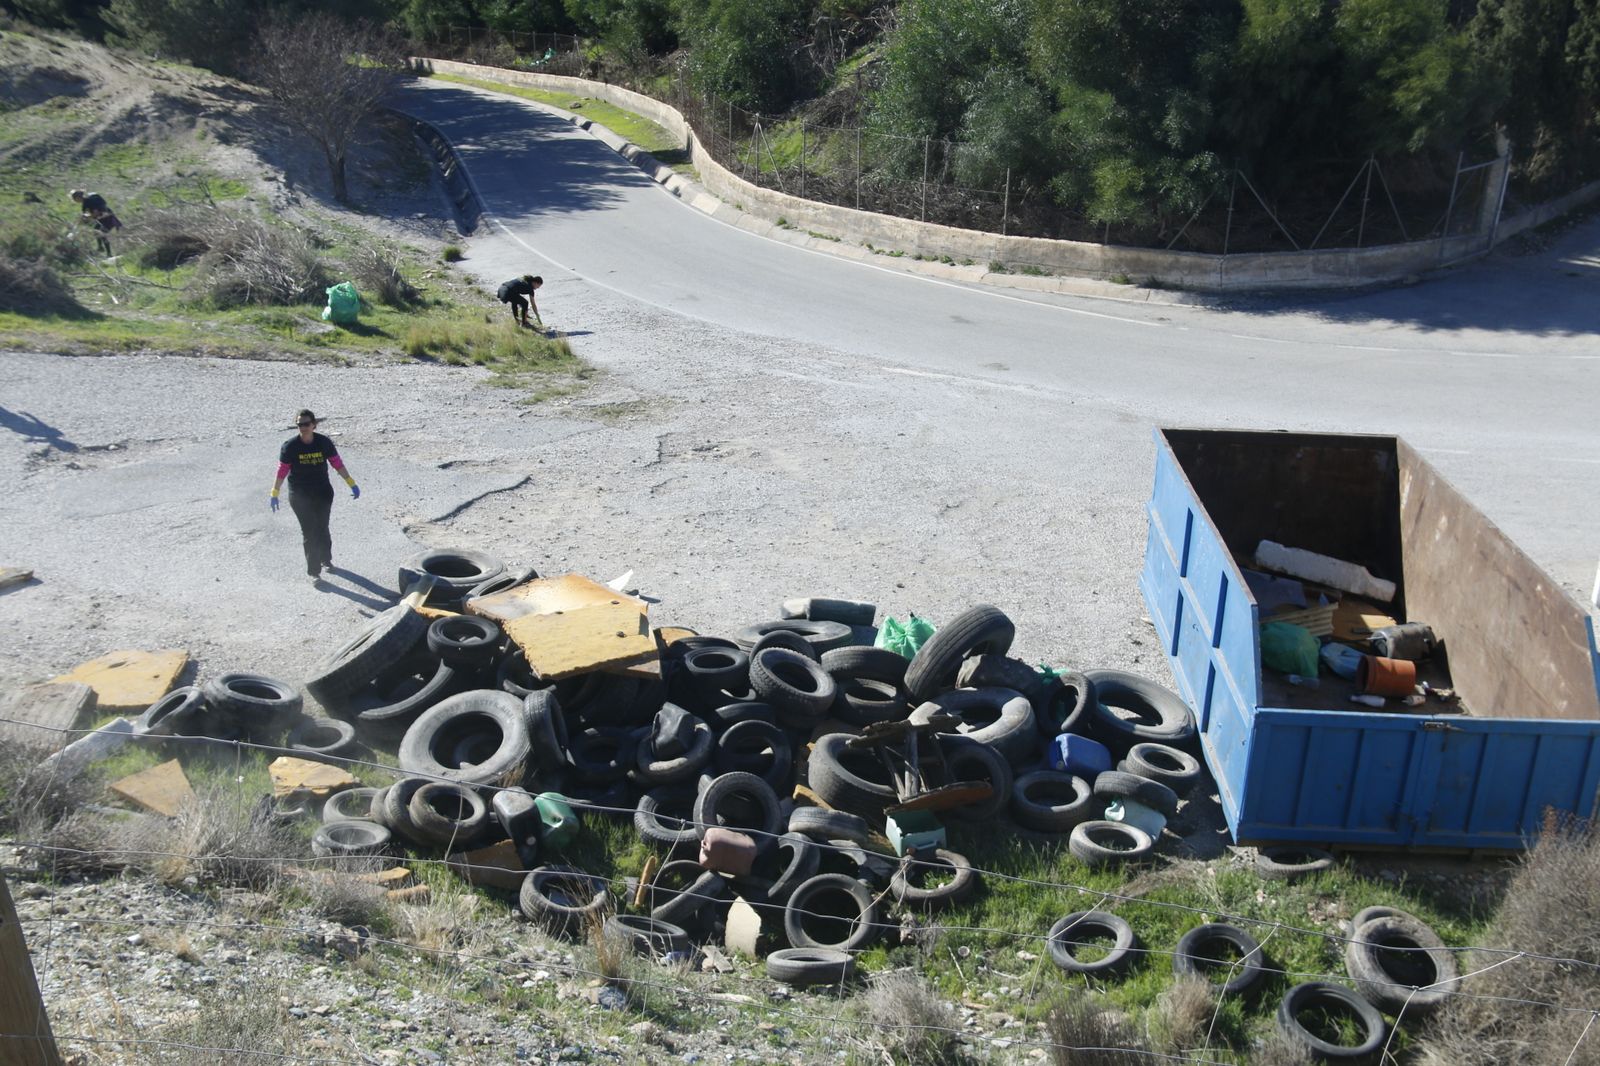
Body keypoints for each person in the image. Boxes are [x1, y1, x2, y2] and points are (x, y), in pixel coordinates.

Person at [270, 409, 360, 584]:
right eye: (299, 424)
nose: (302, 427)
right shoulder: (290, 446)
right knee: (309, 532)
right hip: (300, 495)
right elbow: (282, 470)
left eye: (306, 424)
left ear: (313, 425)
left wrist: (351, 482)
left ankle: (326, 560)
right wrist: (274, 492)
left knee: (322, 527)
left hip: (322, 492)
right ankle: (314, 572)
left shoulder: (323, 442)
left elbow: (336, 463)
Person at [70, 188, 122, 256]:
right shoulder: (86, 202)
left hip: (107, 217)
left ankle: (108, 253)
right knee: (97, 231)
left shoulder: (88, 201)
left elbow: (96, 213)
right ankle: (101, 248)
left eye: (74, 199)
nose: (74, 201)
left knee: (101, 233)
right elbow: (86, 214)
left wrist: (88, 218)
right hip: (105, 217)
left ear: (77, 198)